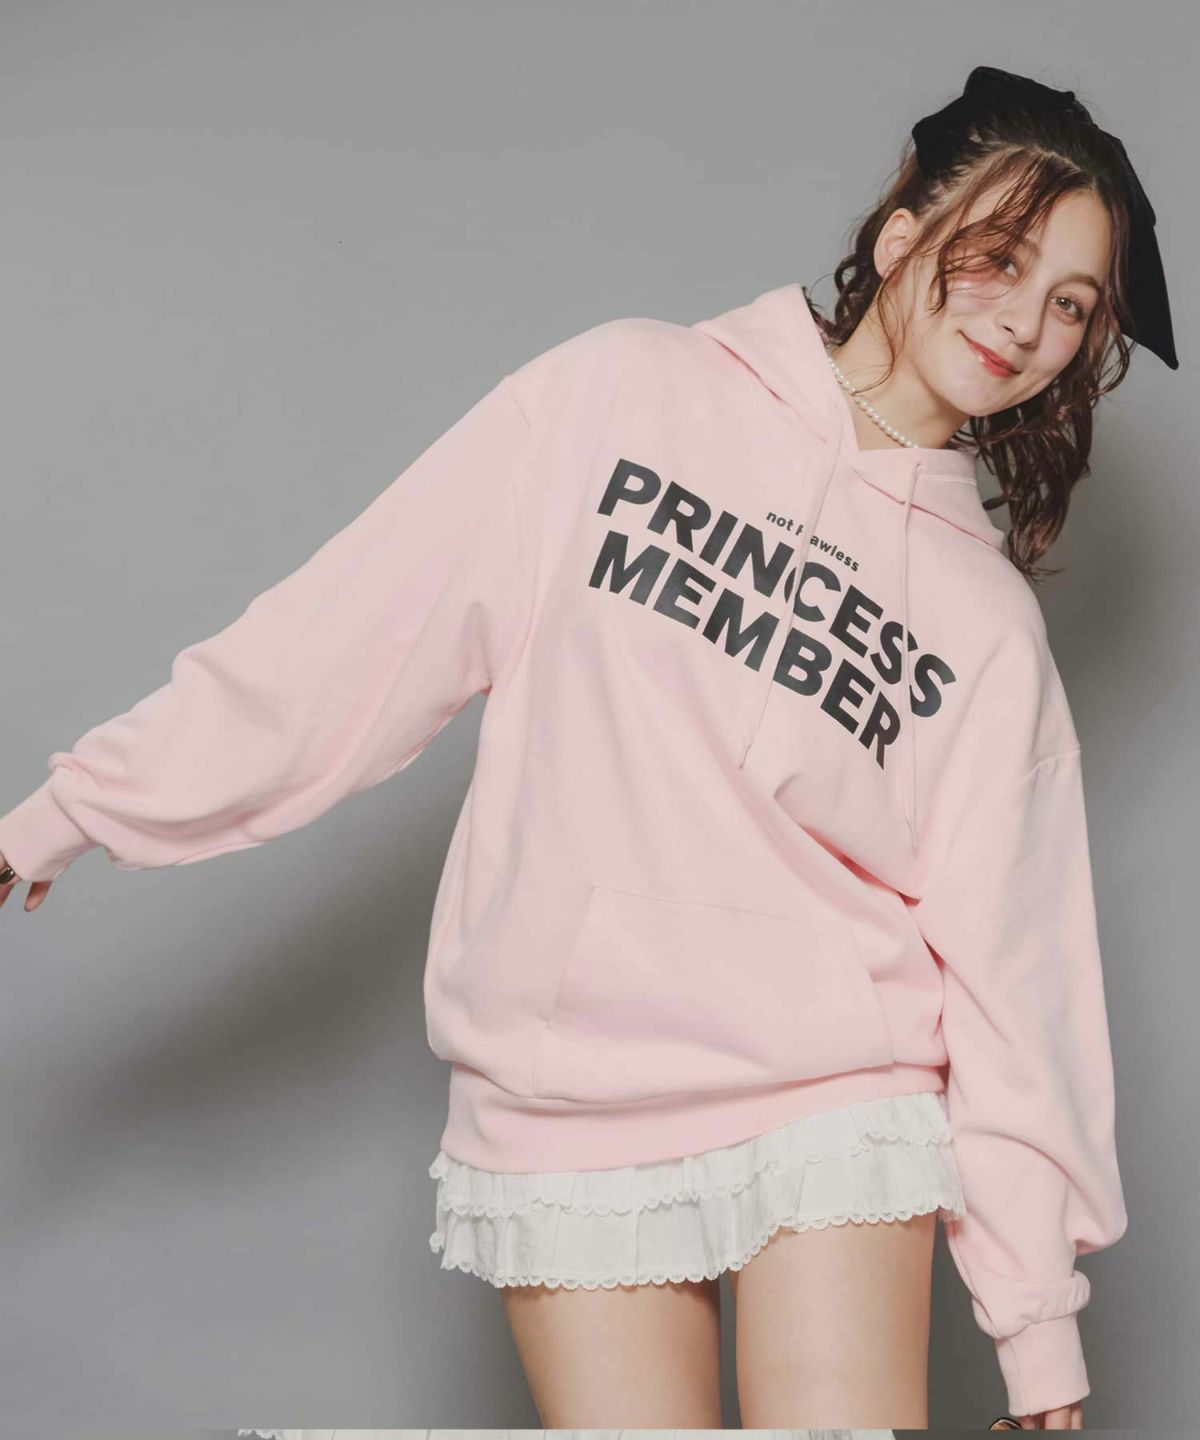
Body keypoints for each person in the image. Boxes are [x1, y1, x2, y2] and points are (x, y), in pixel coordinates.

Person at [0, 66, 1175, 1431]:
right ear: (906, 230)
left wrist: (1035, 1321)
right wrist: (68, 813)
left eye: (1071, 304)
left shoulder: (982, 623)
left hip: (834, 1092)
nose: (1027, 323)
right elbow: (353, 630)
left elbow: (1016, 968)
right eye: (1002, 260)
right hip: (564, 1090)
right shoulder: (623, 392)